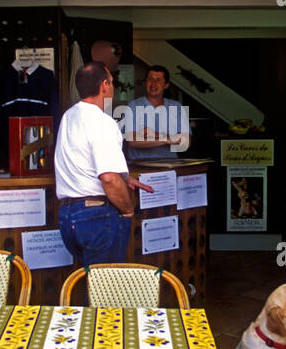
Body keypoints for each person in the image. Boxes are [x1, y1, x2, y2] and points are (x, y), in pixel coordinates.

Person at [55, 61, 153, 266]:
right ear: (104, 86)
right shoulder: (102, 122)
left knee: (91, 285)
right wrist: (127, 211)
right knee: (105, 290)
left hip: (68, 215)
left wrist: (124, 178)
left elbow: (83, 160)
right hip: (96, 216)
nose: (113, 86)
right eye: (111, 81)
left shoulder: (69, 116)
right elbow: (108, 178)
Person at [124, 65, 191, 159]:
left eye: (158, 80)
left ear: (166, 85)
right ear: (146, 82)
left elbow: (185, 142)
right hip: (139, 166)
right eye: (150, 79)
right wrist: (167, 139)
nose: (153, 84)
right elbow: (132, 141)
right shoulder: (133, 106)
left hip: (169, 165)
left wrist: (155, 135)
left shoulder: (176, 107)